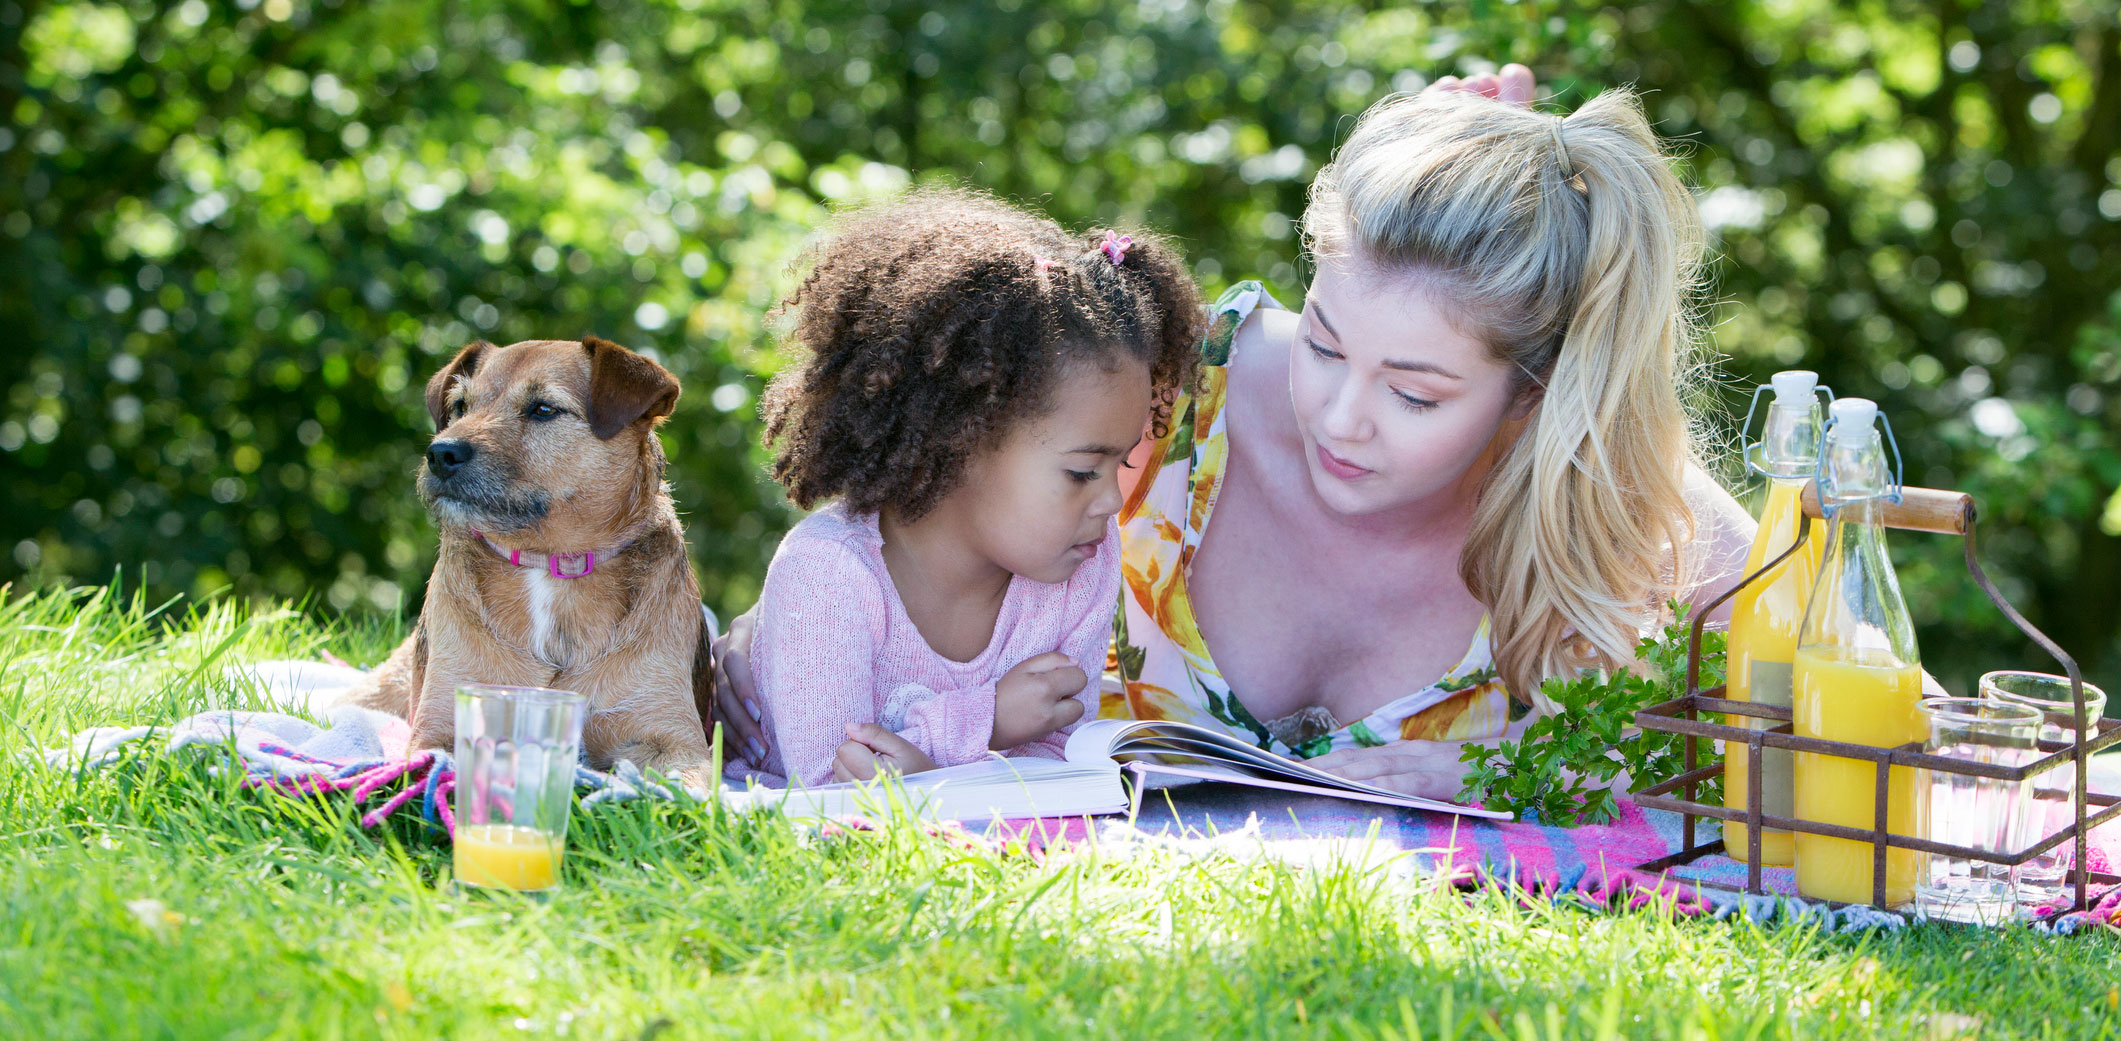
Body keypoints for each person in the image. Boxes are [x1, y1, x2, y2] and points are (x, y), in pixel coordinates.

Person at [716, 69, 1755, 800]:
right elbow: (882, 543)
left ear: (1534, 394)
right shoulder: (1163, 396)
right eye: (1328, 345)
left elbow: (1863, 707)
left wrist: (1491, 770)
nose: (1340, 419)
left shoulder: (1609, 499)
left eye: (1417, 395)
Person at [729, 190, 1203, 788]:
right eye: (1083, 472)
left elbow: (1056, 769)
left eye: (1121, 464)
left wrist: (927, 766)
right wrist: (985, 725)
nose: (1112, 502)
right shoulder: (828, 573)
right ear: (961, 438)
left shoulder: (1081, 564)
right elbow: (833, 782)